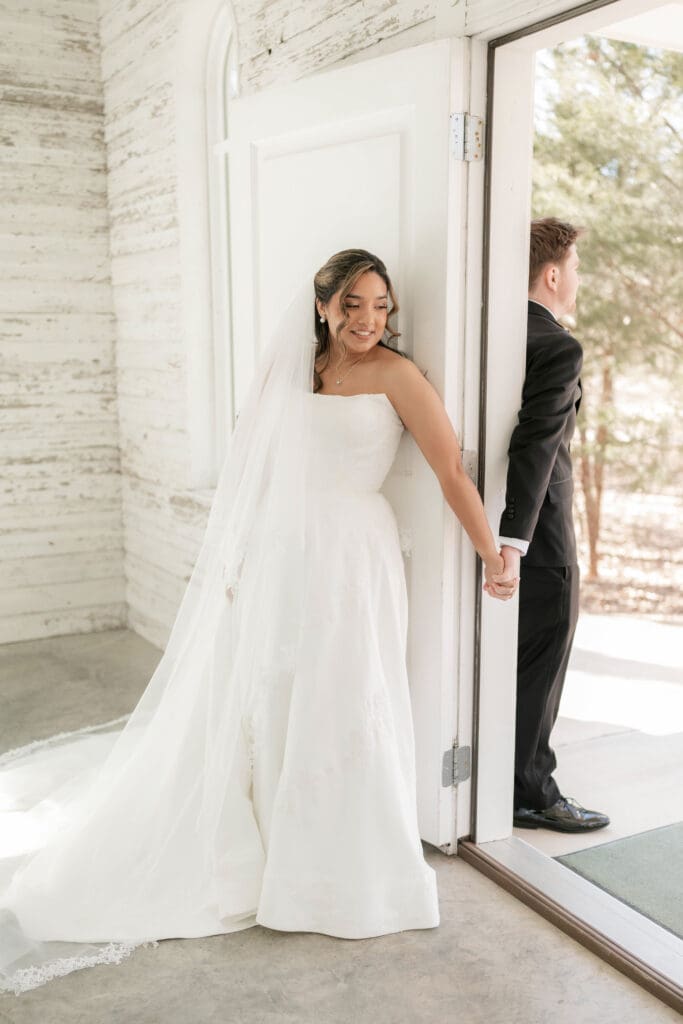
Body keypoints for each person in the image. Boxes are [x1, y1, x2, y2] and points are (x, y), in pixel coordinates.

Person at [0, 249, 516, 995]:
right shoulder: (290, 373)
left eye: (380, 306)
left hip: (350, 557)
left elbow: (450, 473)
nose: (368, 320)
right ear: (321, 307)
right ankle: (271, 845)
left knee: (345, 695)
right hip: (281, 553)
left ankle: (336, 867)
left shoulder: (398, 378)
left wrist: (491, 555)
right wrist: (237, 567)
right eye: (353, 305)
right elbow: (255, 473)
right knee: (272, 695)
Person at [495, 219, 610, 833]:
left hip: (483, 519)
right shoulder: (557, 345)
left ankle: (504, 780)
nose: (578, 281)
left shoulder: (488, 332)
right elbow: (537, 445)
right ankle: (531, 793)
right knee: (541, 665)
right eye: (577, 268)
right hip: (540, 536)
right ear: (553, 272)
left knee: (508, 664)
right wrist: (517, 542)